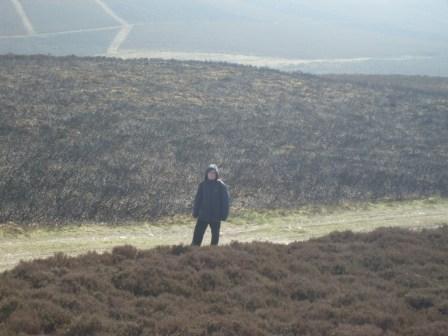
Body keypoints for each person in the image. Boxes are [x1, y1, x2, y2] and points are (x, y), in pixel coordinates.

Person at [191, 164, 230, 246]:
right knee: (197, 235)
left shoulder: (221, 186)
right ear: (206, 174)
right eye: (210, 173)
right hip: (203, 215)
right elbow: (198, 200)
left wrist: (224, 215)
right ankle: (194, 250)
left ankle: (213, 253)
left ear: (216, 174)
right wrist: (195, 212)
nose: (212, 174)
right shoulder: (202, 185)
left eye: (214, 173)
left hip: (216, 216)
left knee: (215, 237)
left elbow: (225, 202)